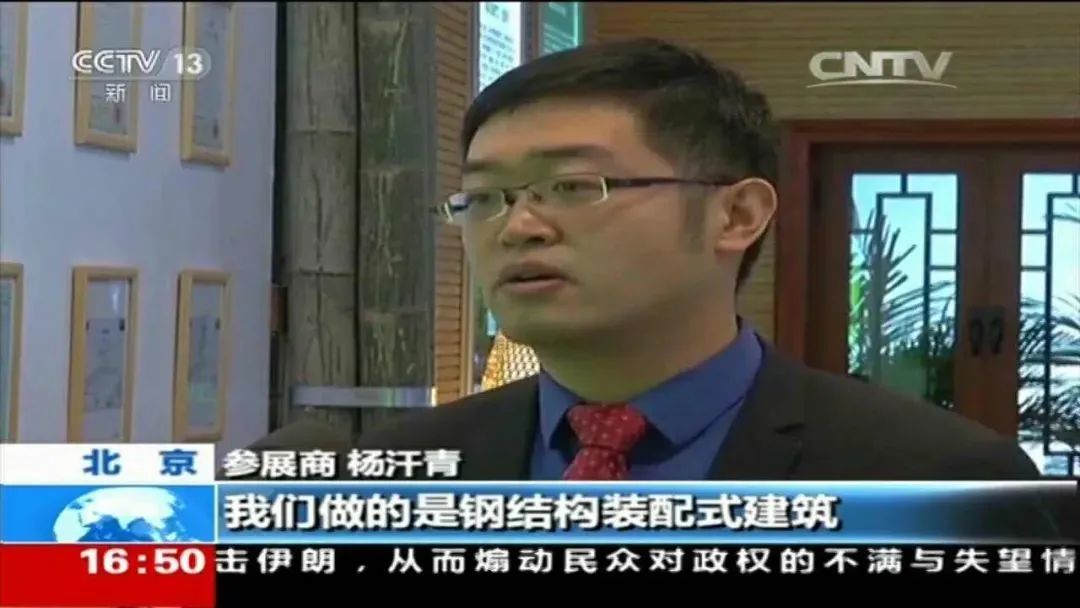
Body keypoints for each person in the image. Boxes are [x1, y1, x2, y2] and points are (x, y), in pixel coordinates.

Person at [252, 38, 1055, 488]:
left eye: (575, 186)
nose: (520, 225)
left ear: (736, 215)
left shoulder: (938, 479)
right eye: (486, 196)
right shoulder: (393, 475)